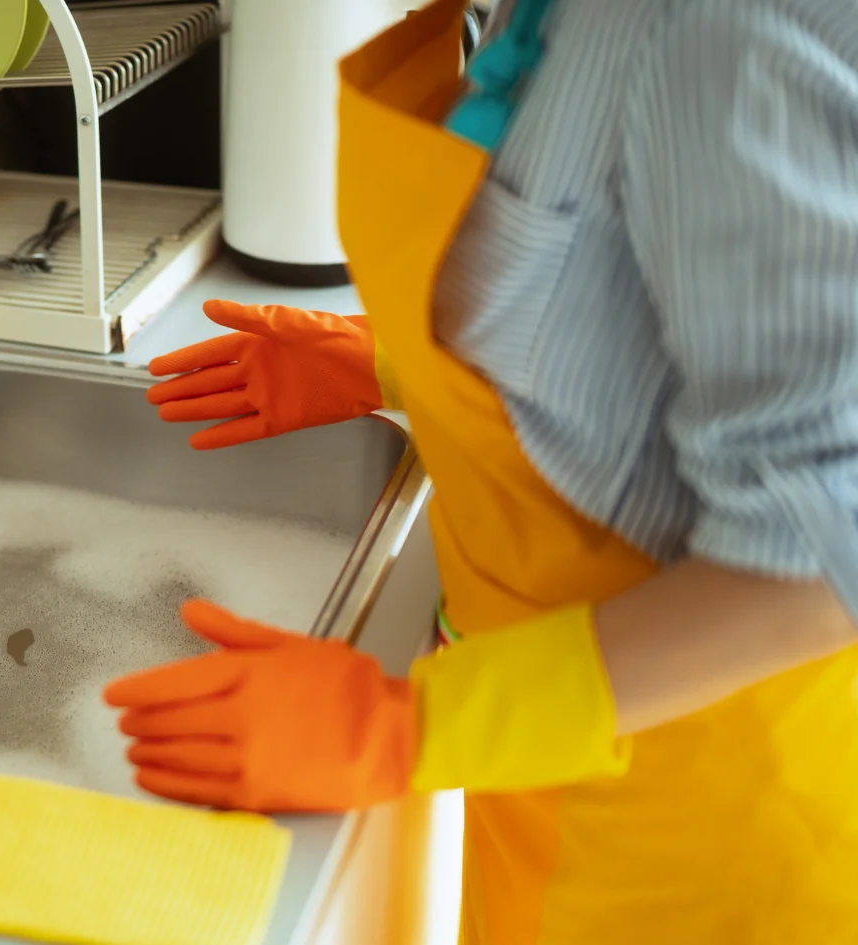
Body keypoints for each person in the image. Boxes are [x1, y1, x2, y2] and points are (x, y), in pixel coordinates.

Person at [103, 0, 858, 942]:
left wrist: (407, 727)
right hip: (566, 778)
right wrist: (395, 361)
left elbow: (819, 558)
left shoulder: (715, 32)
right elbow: (621, 300)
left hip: (713, 836)